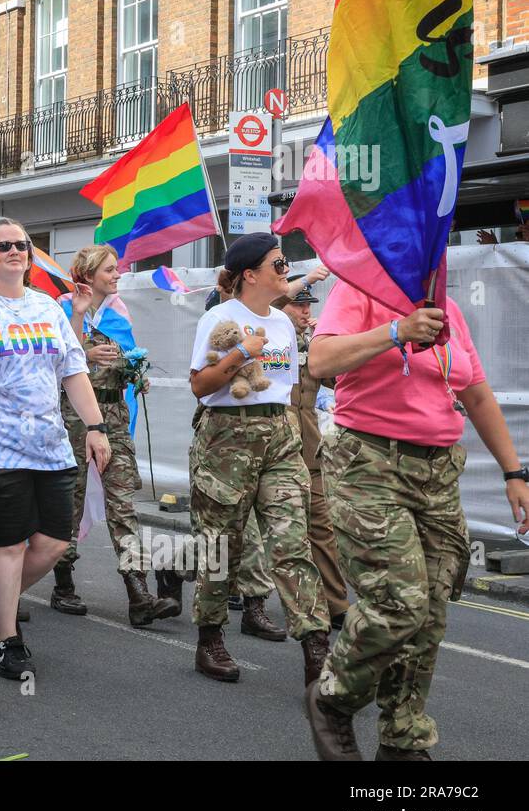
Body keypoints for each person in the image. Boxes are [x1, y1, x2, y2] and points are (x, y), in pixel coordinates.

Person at [305, 286, 529, 761]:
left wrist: (514, 472)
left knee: (430, 612)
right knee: (399, 603)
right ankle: (333, 699)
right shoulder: (360, 288)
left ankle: (402, 737)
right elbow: (321, 360)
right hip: (369, 465)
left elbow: (477, 392)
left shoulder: (445, 305)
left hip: (438, 474)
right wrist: (395, 331)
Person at [0, 219, 111, 680]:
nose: (15, 252)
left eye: (22, 245)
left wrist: (95, 425)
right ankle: (8, 641)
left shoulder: (48, 306)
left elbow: (73, 370)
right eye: (4, 246)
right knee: (7, 545)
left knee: (53, 543)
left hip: (49, 445)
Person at [187, 233, 330, 686]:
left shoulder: (285, 324)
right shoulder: (220, 316)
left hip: (279, 435)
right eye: (278, 264)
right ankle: (210, 636)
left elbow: (287, 387)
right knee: (220, 546)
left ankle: (315, 647)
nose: (286, 270)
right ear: (250, 274)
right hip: (228, 437)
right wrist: (239, 354)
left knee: (292, 542)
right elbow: (200, 385)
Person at [59, 244, 178, 625]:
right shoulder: (61, 309)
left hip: (115, 416)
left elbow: (127, 359)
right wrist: (87, 355)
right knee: (71, 501)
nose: (117, 275)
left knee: (123, 503)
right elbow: (59, 359)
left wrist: (135, 373)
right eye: (109, 270)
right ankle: (63, 583)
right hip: (74, 417)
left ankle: (138, 593)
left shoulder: (119, 316)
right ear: (88, 274)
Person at [282, 272, 349, 630]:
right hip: (271, 448)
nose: (306, 311)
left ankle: (336, 604)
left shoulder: (312, 339)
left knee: (322, 525)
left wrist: (335, 344)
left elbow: (335, 379)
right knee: (246, 528)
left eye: (309, 304)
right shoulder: (268, 335)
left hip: (308, 448)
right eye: (299, 304)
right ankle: (237, 588)